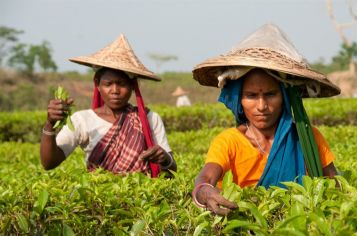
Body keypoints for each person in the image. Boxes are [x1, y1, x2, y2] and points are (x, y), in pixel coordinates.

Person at [191, 24, 341, 215]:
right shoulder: (229, 141)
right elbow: (206, 175)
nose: (261, 106)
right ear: (240, 100)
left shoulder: (307, 138)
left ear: (284, 97)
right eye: (251, 95)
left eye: (270, 94)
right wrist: (204, 191)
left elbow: (336, 184)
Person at [40, 34, 176, 176]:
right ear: (97, 84)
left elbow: (172, 165)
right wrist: (50, 124)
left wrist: (165, 158)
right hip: (100, 194)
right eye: (108, 84)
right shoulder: (83, 119)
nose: (115, 91)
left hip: (142, 195)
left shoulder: (150, 118)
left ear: (132, 86)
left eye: (122, 84)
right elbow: (49, 163)